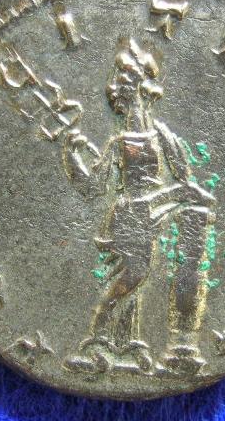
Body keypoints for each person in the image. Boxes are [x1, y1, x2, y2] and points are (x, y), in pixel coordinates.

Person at [63, 38, 215, 374]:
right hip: (130, 216)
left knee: (139, 276)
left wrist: (180, 197)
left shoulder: (163, 136)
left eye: (123, 81)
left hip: (155, 213)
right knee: (134, 274)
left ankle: (126, 344)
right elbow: (93, 188)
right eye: (117, 83)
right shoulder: (119, 142)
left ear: (140, 88)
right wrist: (73, 157)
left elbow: (185, 180)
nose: (115, 88)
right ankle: (99, 333)